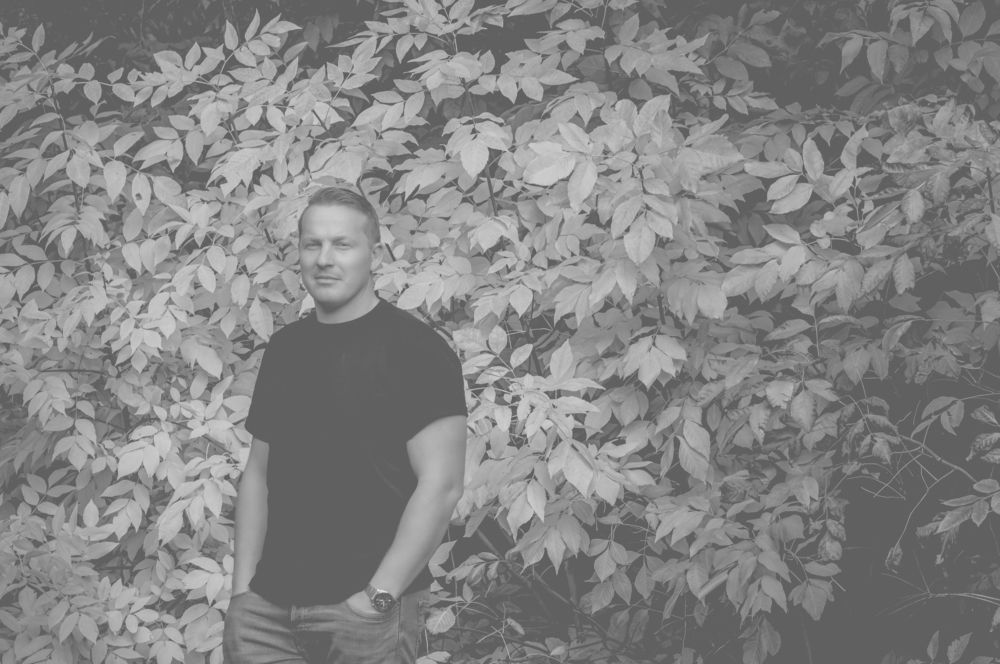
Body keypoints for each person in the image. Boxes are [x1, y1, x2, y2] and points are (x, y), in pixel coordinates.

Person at [223, 186, 468, 664]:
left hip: (363, 618)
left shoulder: (418, 351)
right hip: (265, 616)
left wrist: (377, 599)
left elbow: (442, 487)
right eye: (312, 244)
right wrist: (242, 595)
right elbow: (257, 473)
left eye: (342, 244)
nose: (324, 259)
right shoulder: (286, 350)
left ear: (373, 254)